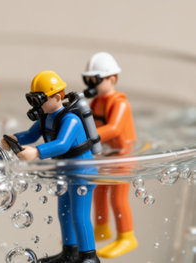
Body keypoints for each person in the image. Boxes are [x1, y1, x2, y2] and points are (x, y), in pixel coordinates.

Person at [2, 70, 99, 263]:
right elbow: (30, 135)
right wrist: (15, 139)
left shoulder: (71, 120)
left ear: (56, 97)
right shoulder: (46, 118)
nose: (36, 106)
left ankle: (89, 257)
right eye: (33, 100)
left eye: (39, 100)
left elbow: (62, 144)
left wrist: (36, 152)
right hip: (63, 174)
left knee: (79, 215)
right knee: (64, 213)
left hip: (81, 174)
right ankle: (69, 253)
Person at [82, 52, 137, 258]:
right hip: (106, 155)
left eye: (94, 80)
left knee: (118, 198)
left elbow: (113, 128)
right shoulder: (96, 102)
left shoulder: (120, 103)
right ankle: (102, 227)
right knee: (99, 191)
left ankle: (127, 237)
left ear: (112, 79)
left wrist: (88, 139)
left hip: (122, 157)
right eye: (87, 80)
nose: (90, 84)